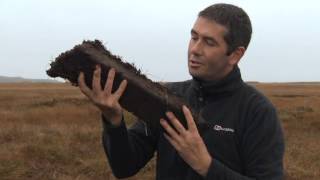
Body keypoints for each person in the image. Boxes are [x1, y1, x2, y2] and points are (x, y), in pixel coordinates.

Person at [78, 3, 284, 180]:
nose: (195, 49)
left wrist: (207, 166)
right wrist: (113, 121)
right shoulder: (167, 96)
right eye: (194, 37)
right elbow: (125, 167)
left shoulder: (258, 112)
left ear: (235, 55)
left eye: (209, 42)